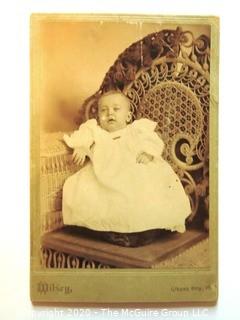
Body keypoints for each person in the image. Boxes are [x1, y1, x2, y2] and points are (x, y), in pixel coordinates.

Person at [62, 91, 191, 246]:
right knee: (85, 193)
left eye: (116, 109)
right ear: (98, 118)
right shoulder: (97, 132)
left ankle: (144, 230)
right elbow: (83, 136)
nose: (110, 113)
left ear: (128, 117)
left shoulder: (135, 130)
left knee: (141, 194)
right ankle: (109, 230)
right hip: (102, 176)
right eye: (104, 110)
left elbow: (152, 140)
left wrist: (148, 153)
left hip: (134, 171)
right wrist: (82, 147)